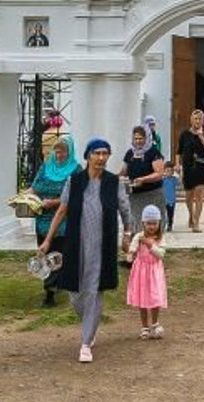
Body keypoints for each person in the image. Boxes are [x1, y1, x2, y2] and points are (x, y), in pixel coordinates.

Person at [39, 136, 122, 363]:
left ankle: (85, 343)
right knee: (75, 294)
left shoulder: (114, 182)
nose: (101, 158)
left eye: (105, 154)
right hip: (77, 243)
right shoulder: (74, 182)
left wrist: (129, 235)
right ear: (87, 156)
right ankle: (90, 322)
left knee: (94, 290)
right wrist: (48, 240)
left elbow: (124, 209)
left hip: (102, 245)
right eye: (97, 153)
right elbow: (61, 211)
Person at [30, 133, 79, 307]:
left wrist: (55, 202)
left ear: (69, 152)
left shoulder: (75, 170)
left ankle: (50, 291)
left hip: (63, 218)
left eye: (63, 152)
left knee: (56, 254)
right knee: (43, 253)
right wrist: (22, 198)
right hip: (43, 218)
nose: (59, 155)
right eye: (56, 152)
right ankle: (52, 284)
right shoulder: (46, 167)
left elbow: (76, 196)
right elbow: (35, 188)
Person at [119, 125, 167, 261]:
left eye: (141, 138)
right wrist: (115, 178)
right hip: (135, 196)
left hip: (153, 194)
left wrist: (144, 179)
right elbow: (124, 171)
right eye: (136, 139)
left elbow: (159, 173)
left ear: (146, 138)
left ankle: (154, 253)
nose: (138, 141)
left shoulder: (153, 152)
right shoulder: (130, 153)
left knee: (152, 224)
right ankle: (135, 255)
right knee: (135, 224)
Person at [126, 204, 168, 339]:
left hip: (154, 272)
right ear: (143, 223)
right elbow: (133, 246)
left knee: (155, 297)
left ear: (159, 223)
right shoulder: (139, 236)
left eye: (154, 223)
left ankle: (155, 323)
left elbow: (161, 254)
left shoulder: (160, 239)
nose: (151, 226)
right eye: (148, 223)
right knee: (143, 298)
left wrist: (151, 245)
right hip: (141, 272)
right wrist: (131, 253)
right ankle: (144, 326)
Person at [177, 109, 204, 230]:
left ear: (203, 121)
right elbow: (179, 151)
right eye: (195, 119)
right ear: (191, 120)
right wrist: (177, 165)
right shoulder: (184, 134)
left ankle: (196, 222)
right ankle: (191, 215)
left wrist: (201, 136)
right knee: (188, 196)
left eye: (200, 119)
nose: (197, 121)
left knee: (199, 194)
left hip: (201, 167)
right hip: (188, 167)